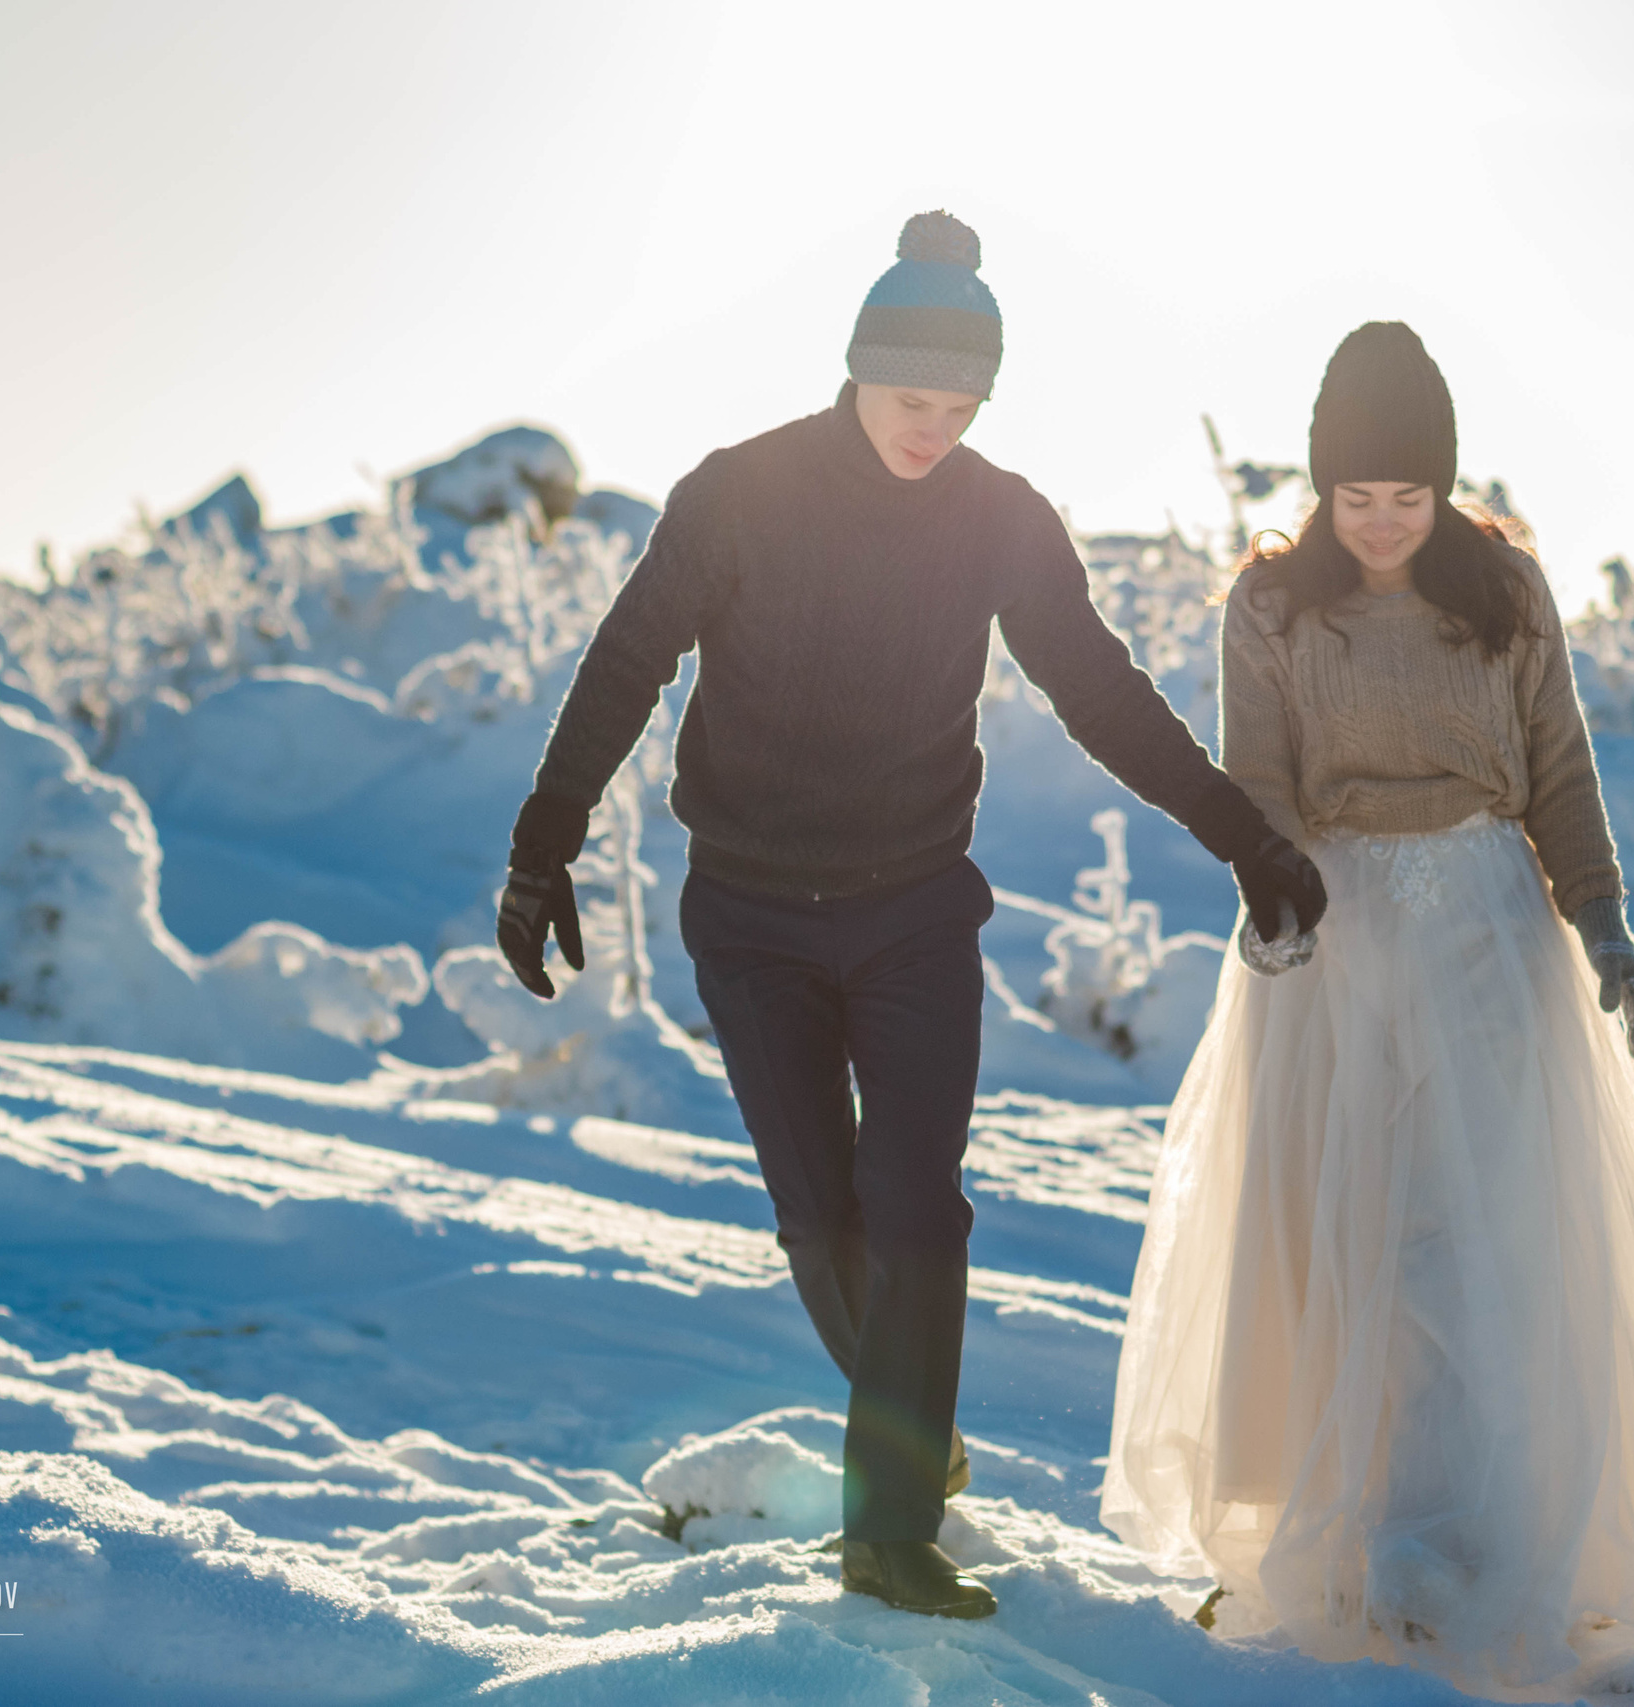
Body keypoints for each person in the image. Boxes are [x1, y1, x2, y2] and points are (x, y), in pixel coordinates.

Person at [495, 211, 1328, 1622]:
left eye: (962, 409)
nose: (931, 432)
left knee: (916, 1202)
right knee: (821, 1217)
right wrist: (542, 848)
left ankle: (887, 1534)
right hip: (749, 912)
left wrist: (1243, 838)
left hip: (912, 913)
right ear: (854, 371)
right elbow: (628, 659)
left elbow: (1102, 693)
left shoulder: (1002, 519)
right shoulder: (739, 495)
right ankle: (919, 1433)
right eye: (910, 403)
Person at [1099, 321, 1634, 1693]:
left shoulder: (1508, 592)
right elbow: (1261, 776)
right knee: (1343, 1239)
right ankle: (1369, 1532)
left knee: (1485, 1243)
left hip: (1484, 933)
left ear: (1446, 489)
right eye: (1358, 498)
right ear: (1320, 487)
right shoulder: (1274, 603)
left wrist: (1607, 929)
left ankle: (1495, 1532)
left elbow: (1560, 775)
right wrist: (1273, 893)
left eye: (1409, 497)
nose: (1385, 523)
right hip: (1331, 943)